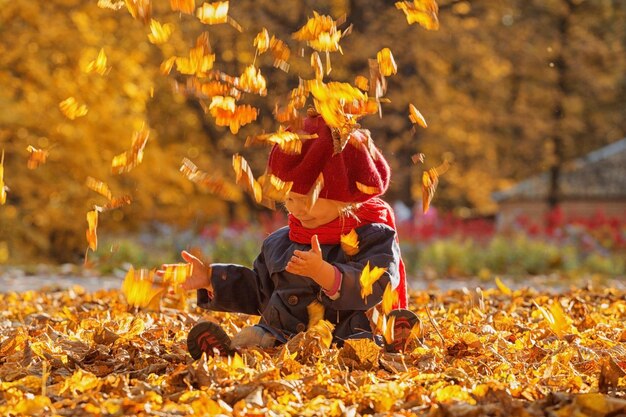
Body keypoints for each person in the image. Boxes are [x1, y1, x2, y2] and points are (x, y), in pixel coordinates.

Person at [171, 113, 420, 359]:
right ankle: (227, 353)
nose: (296, 209)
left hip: (345, 335)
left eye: (307, 200)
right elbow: (260, 291)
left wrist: (325, 273)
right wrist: (212, 279)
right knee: (255, 340)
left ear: (345, 199)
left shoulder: (373, 236)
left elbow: (378, 284)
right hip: (283, 334)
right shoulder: (280, 242)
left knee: (363, 346)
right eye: (289, 199)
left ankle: (391, 340)